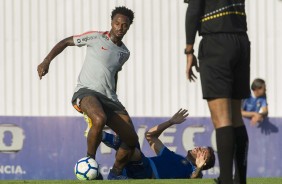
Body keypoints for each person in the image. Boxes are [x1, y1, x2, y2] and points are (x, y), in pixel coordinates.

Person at [37, 6, 139, 180]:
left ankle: (115, 173)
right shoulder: (96, 37)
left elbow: (112, 74)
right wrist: (46, 61)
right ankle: (90, 161)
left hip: (110, 98)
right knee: (99, 119)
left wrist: (114, 97)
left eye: (125, 25)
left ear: (129, 27)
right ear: (111, 23)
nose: (120, 27)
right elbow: (65, 42)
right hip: (86, 92)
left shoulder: (125, 53)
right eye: (117, 23)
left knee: (131, 140)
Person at [184, 0, 250, 184]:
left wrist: (189, 50)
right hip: (241, 41)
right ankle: (240, 180)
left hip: (216, 42)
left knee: (222, 119)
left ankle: (227, 180)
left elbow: (194, 9)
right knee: (236, 117)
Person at [84, 108, 216, 179]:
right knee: (129, 136)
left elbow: (195, 178)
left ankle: (100, 135)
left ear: (203, 162)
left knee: (132, 148)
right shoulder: (174, 157)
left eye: (202, 152)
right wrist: (171, 122)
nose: (198, 148)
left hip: (146, 171)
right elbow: (150, 136)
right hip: (141, 165)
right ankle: (98, 133)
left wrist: (199, 167)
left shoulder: (192, 171)